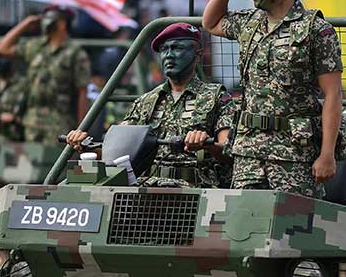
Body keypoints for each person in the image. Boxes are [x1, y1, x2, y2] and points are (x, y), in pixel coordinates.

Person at [201, 0, 343, 197]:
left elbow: (332, 94)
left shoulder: (315, 30)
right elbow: (211, 23)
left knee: (294, 225)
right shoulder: (250, 22)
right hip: (249, 149)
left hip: (293, 151)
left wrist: (327, 154)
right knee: (244, 221)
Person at [66, 23, 234, 187]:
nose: (169, 55)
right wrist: (85, 145)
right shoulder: (146, 101)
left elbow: (228, 152)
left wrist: (206, 143)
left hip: (195, 191)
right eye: (164, 50)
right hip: (148, 189)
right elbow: (116, 155)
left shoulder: (216, 97)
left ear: (197, 55)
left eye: (177, 48)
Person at [0, 6, 90, 143]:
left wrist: (81, 128)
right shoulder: (35, 47)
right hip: (32, 120)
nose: (45, 21)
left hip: (59, 121)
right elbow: (3, 48)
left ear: (62, 24)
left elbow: (82, 92)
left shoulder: (75, 53)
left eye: (50, 18)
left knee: (54, 162)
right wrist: (26, 24)